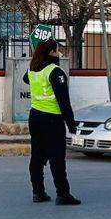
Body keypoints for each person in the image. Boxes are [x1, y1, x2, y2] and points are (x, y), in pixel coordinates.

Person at [26, 37, 80, 205]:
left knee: (37, 157)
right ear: (50, 53)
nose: (59, 53)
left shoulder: (33, 69)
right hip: (52, 119)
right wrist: (71, 123)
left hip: (35, 118)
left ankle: (38, 192)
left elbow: (25, 79)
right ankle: (63, 194)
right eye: (57, 50)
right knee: (57, 158)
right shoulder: (55, 72)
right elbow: (64, 100)